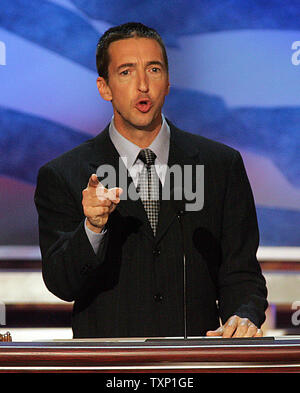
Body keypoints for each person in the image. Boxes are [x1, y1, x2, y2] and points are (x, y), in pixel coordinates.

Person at [34, 22, 268, 339]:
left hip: (195, 362)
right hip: (111, 365)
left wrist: (243, 315)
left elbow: (241, 272)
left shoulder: (220, 166)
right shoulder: (64, 174)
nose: (143, 85)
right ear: (105, 87)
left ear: (168, 81)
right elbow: (62, 283)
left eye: (154, 70)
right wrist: (93, 228)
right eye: (127, 72)